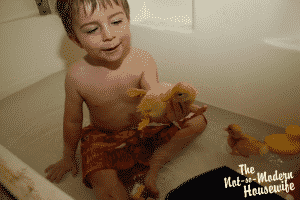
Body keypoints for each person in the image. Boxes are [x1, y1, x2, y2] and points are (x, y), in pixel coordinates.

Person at [44, 0, 208, 199]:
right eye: (92, 29)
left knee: (198, 121)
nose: (108, 35)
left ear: (128, 20)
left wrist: (172, 108)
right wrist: (68, 157)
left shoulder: (143, 60)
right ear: (76, 40)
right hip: (104, 138)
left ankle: (157, 161)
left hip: (144, 128)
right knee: (104, 185)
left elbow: (154, 98)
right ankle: (115, 183)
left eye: (116, 22)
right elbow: (72, 121)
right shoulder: (76, 76)